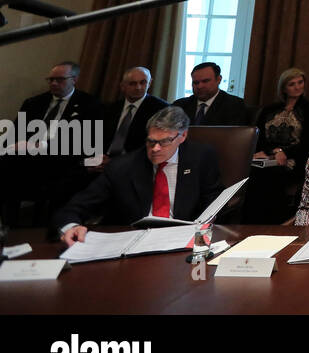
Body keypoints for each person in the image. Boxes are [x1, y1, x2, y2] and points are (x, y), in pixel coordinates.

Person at [54, 106, 223, 245]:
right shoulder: (122, 167)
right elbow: (75, 207)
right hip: (134, 241)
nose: (155, 148)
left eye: (164, 142)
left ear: (183, 136)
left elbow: (213, 200)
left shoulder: (201, 157)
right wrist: (71, 226)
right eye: (151, 141)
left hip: (184, 240)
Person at [3, 61, 102, 225]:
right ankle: (9, 227)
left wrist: (44, 146)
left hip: (62, 158)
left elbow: (87, 141)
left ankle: (47, 228)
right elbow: (14, 133)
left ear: (75, 79)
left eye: (60, 79)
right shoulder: (33, 103)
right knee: (6, 164)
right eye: (51, 79)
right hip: (27, 157)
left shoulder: (89, 104)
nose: (54, 83)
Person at [244, 67, 309, 222]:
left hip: (296, 158)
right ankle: (249, 223)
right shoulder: (269, 109)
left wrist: (284, 153)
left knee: (272, 174)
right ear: (284, 88)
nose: (297, 87)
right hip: (268, 154)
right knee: (253, 172)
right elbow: (259, 136)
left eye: (300, 82)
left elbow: (308, 143)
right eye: (292, 84)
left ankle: (273, 222)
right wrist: (270, 151)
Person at [99, 67, 169, 160]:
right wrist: (96, 160)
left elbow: (156, 145)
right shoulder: (110, 108)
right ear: (123, 86)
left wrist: (117, 162)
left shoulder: (161, 109)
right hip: (104, 160)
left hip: (135, 163)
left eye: (143, 82)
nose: (138, 87)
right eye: (132, 83)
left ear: (150, 83)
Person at [172, 62, 250, 126]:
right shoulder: (180, 106)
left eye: (205, 81)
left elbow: (235, 138)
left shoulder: (234, 105)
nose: (200, 86)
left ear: (219, 80)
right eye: (196, 82)